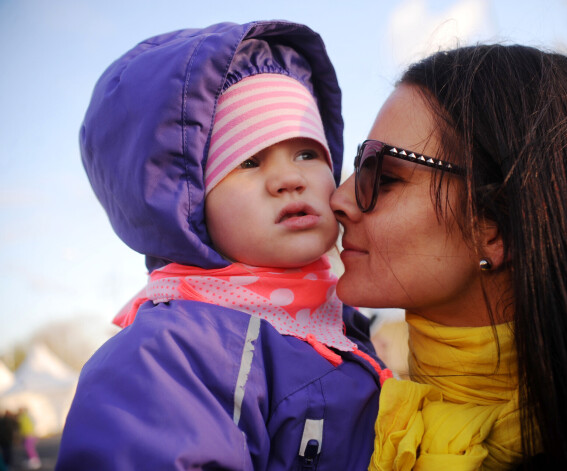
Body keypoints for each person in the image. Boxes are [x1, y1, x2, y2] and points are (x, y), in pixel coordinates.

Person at [56, 21, 386, 470]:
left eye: (308, 152)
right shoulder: (170, 354)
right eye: (248, 160)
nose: (290, 178)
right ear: (187, 202)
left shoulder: (339, 322)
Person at [330, 44, 567, 470]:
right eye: (359, 167)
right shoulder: (323, 413)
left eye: (386, 177)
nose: (339, 198)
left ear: (496, 228)